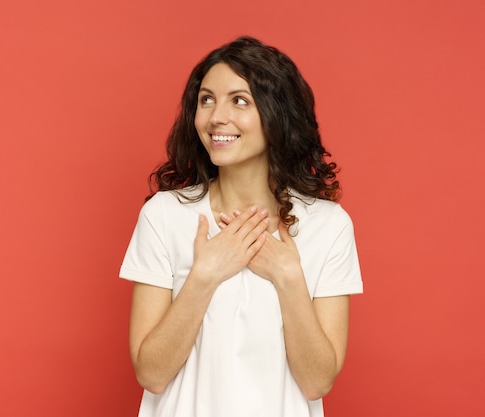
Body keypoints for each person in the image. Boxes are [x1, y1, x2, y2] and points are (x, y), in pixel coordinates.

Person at [119, 36, 363, 417]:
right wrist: (205, 275)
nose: (217, 116)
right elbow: (151, 373)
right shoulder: (165, 216)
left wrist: (288, 276)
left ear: (277, 114)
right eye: (206, 99)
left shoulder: (328, 226)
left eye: (240, 100)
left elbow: (317, 382)